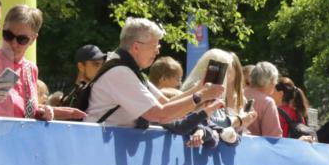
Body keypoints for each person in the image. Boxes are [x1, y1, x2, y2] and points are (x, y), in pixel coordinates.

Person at [84, 18, 224, 128]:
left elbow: (168, 104)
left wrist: (199, 88)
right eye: (154, 46)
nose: (157, 51)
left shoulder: (127, 69)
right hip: (96, 148)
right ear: (136, 47)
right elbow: (160, 115)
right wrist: (201, 96)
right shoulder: (120, 73)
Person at [0, 5, 83, 121]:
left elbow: (24, 112)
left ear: (33, 39)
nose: (13, 43)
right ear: (3, 28)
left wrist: (42, 112)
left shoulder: (30, 69)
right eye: (8, 35)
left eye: (22, 39)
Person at [243, 61, 283, 138]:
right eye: (275, 80)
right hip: (255, 148)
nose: (275, 84)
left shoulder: (239, 94)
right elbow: (273, 137)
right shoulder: (267, 102)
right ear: (271, 80)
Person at [274, 76, 316, 141]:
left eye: (273, 91)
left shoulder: (275, 113)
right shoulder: (299, 112)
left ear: (280, 94)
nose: (270, 93)